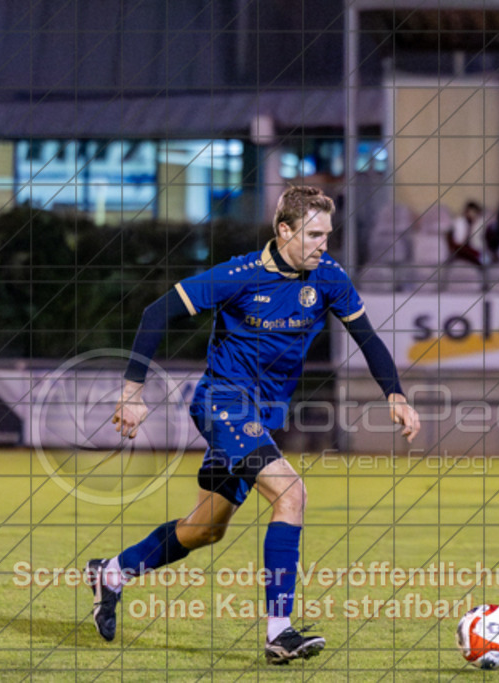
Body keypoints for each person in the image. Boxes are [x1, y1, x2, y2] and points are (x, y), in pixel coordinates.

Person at [85, 185, 421, 664]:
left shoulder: (327, 277)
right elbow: (155, 312)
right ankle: (278, 632)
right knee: (291, 493)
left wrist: (396, 395)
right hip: (222, 404)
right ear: (284, 231)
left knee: (204, 529)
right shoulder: (239, 275)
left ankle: (112, 573)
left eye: (328, 234)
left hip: (262, 418)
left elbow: (367, 338)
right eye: (313, 234)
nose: (324, 244)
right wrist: (131, 392)